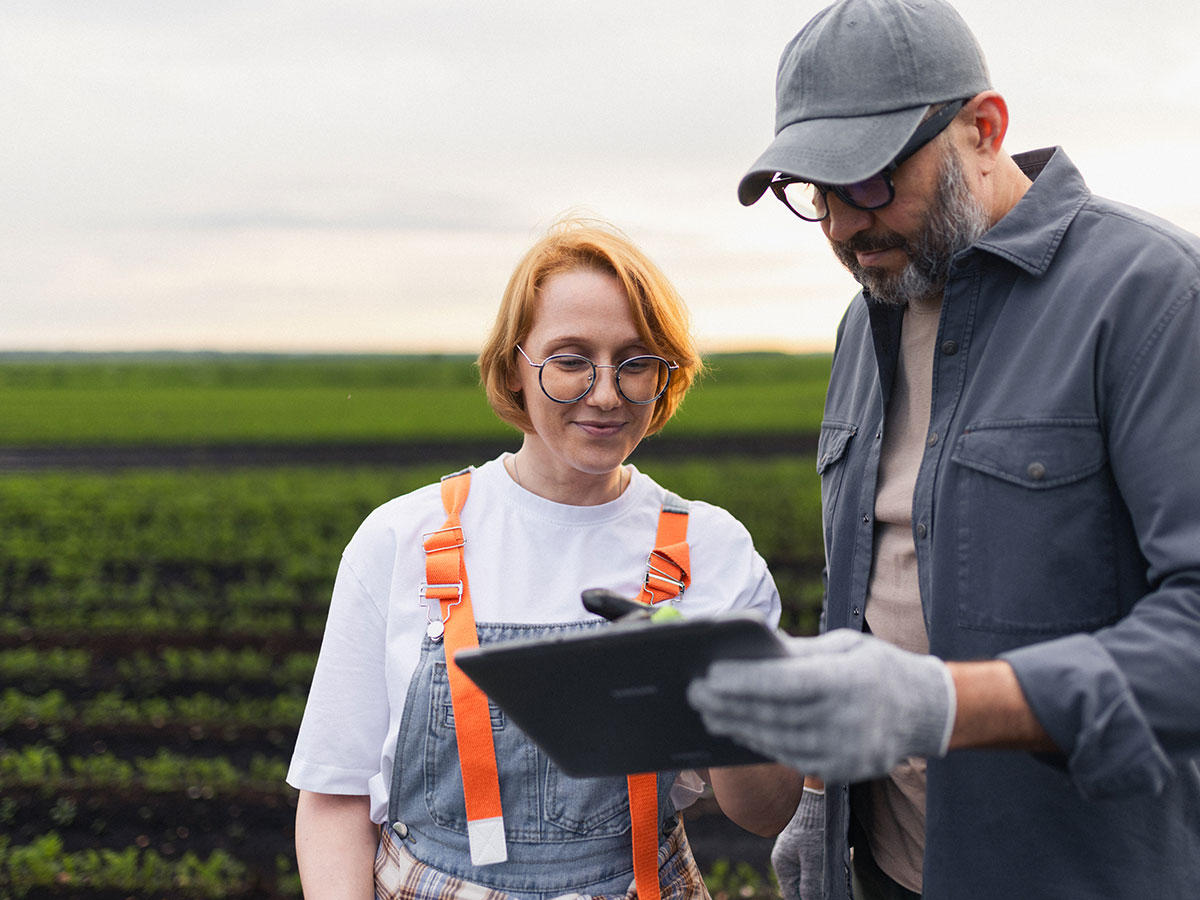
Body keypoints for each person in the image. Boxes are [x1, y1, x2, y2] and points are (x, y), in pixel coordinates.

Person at [686, 1, 1200, 899]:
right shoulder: (866, 322)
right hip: (887, 871)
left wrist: (952, 706)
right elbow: (877, 591)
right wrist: (821, 793)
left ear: (984, 128)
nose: (844, 225)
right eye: (817, 192)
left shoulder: (1154, 299)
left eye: (873, 180)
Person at [287, 217, 803, 900]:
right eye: (570, 359)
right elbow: (333, 796)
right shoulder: (402, 539)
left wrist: (716, 696)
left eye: (635, 361)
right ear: (514, 368)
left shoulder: (713, 551)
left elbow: (766, 812)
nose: (606, 393)